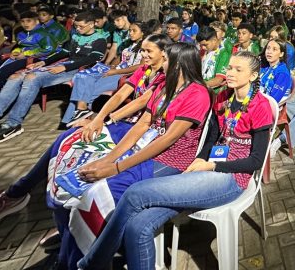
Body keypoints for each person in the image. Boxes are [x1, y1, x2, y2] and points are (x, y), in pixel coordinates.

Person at [76, 51, 274, 270]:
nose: (230, 73)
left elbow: (256, 161)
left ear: (253, 76)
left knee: (135, 193)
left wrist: (213, 165)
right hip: (205, 170)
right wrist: (198, 161)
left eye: (239, 70)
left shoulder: (261, 106)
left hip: (231, 178)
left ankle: (92, 263)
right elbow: (210, 138)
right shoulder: (223, 97)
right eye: (229, 68)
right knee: (137, 227)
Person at [0, 34, 171, 232]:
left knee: (83, 154)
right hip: (121, 122)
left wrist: (105, 120)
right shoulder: (144, 70)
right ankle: (15, 194)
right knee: (67, 138)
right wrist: (97, 118)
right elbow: (121, 95)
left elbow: (140, 102)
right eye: (142, 50)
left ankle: (72, 221)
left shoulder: (167, 75)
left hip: (137, 130)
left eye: (148, 51)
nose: (143, 54)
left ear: (164, 53)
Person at [58, 42, 209, 268]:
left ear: (179, 64)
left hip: (170, 160)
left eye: (166, 59)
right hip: (145, 151)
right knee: (80, 182)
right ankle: (71, 252)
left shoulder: (198, 94)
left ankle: (88, 260)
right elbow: (142, 125)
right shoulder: (165, 86)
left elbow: (167, 140)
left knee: (98, 192)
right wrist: (108, 159)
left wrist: (117, 167)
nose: (161, 63)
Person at [0, 11, 108, 143]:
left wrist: (64, 67)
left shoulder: (100, 39)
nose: (77, 29)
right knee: (15, 77)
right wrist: (43, 62)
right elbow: (63, 53)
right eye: (76, 26)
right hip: (64, 64)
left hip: (78, 69)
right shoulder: (75, 35)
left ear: (92, 24)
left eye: (81, 26)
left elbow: (91, 59)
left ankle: (13, 123)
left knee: (31, 78)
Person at [61, 21, 149, 125]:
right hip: (117, 71)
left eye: (134, 31)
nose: (130, 33)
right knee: (83, 79)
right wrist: (110, 65)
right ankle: (79, 113)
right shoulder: (129, 44)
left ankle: (73, 119)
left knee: (87, 90)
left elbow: (140, 67)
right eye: (130, 30)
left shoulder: (145, 47)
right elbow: (120, 58)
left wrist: (115, 71)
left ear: (143, 33)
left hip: (125, 76)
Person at [0, 11, 56, 109]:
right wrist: (16, 52)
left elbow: (48, 49)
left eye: (28, 21)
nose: (25, 24)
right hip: (21, 56)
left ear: (36, 22)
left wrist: (26, 54)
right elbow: (20, 46)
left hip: (37, 58)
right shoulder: (22, 34)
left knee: (4, 70)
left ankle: (1, 95)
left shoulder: (43, 34)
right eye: (22, 21)